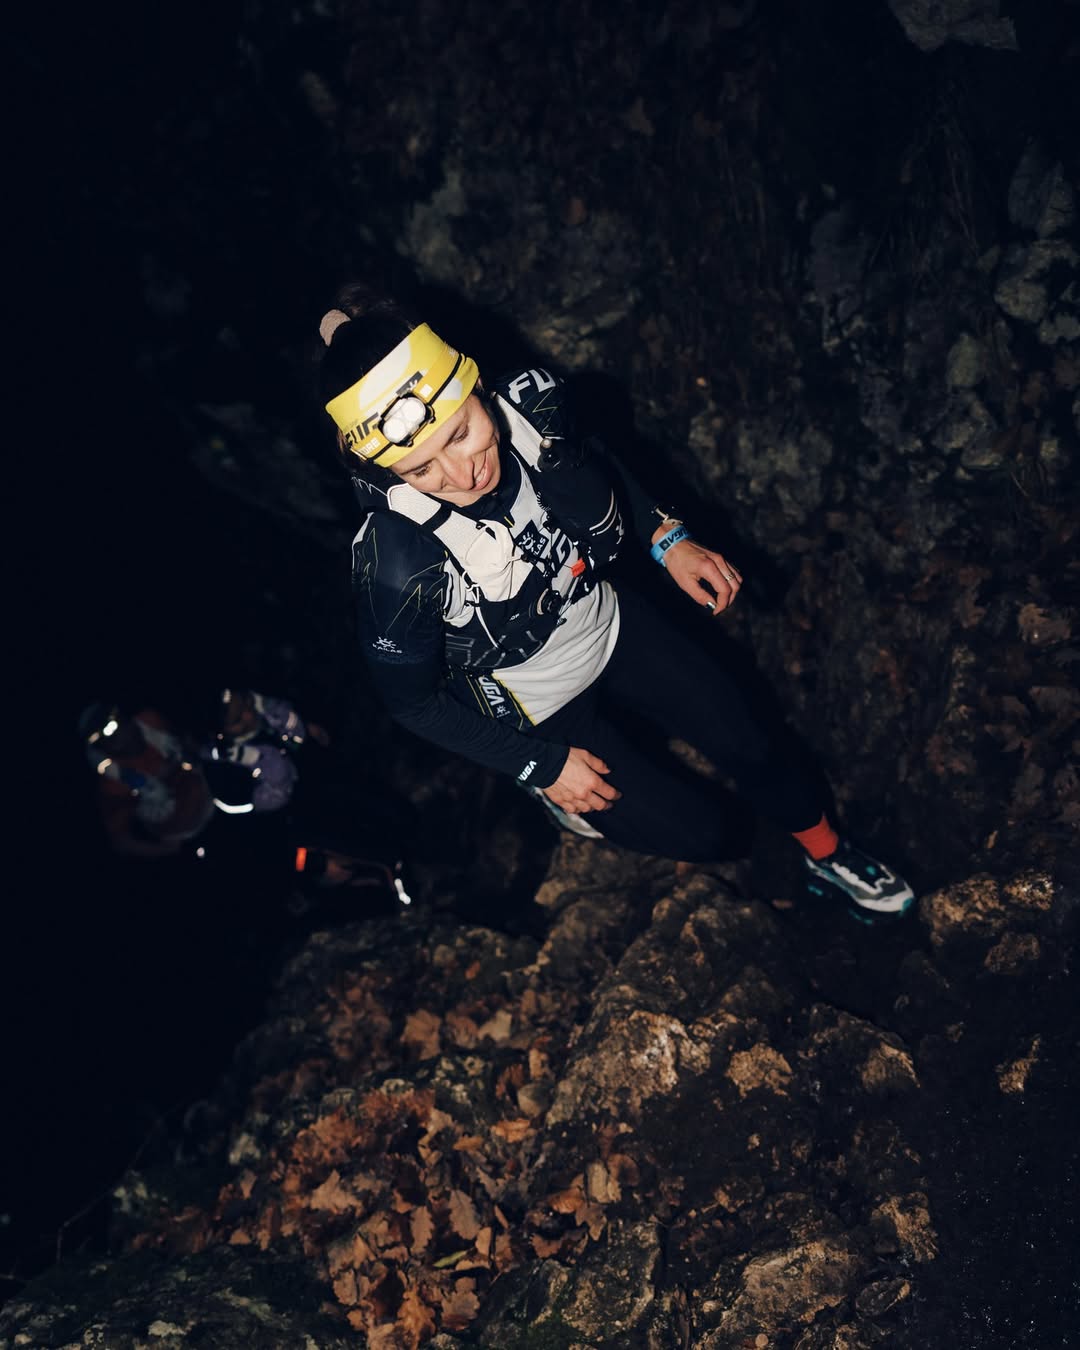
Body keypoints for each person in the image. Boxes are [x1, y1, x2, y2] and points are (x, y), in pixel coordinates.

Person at [314, 289, 914, 922]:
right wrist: (539, 766)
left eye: (461, 434)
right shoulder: (397, 559)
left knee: (750, 737)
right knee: (710, 835)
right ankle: (578, 806)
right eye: (422, 470)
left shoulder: (531, 405)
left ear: (474, 383)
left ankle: (828, 855)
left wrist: (666, 538)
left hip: (602, 618)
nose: (462, 475)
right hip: (533, 702)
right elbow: (410, 701)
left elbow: (588, 464)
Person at [80, 703, 214, 858]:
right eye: (102, 739)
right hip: (180, 832)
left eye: (113, 726)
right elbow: (120, 841)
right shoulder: (112, 784)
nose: (115, 737)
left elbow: (190, 739)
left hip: (210, 796)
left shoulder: (152, 722)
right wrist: (168, 850)